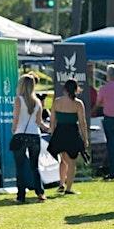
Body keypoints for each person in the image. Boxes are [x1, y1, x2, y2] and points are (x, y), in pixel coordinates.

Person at [11, 75, 50, 203]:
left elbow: (16, 119)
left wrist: (13, 130)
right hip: (34, 135)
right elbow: (39, 122)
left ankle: (21, 196)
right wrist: (49, 128)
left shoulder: (18, 100)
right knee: (35, 166)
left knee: (20, 167)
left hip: (20, 134)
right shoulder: (37, 102)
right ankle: (40, 192)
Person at [48, 79, 88, 194]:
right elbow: (82, 122)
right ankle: (69, 188)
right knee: (71, 162)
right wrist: (85, 139)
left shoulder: (57, 101)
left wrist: (52, 134)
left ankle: (61, 184)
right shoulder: (78, 104)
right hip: (72, 133)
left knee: (63, 160)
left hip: (59, 133)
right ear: (76, 90)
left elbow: (52, 121)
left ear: (65, 89)